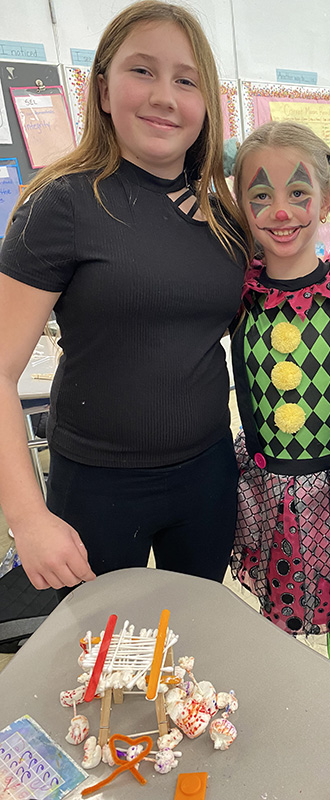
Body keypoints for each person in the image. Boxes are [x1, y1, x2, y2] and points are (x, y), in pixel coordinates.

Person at [0, 0, 250, 593]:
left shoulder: (224, 219)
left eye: (186, 80)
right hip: (97, 484)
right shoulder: (61, 204)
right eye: (142, 70)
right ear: (103, 90)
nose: (165, 95)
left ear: (206, 104)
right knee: (100, 660)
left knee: (195, 647)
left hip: (207, 474)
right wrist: (28, 519)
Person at [229, 121, 330, 670]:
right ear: (240, 204)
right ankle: (283, 695)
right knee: (277, 613)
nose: (281, 212)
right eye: (261, 196)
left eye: (298, 193)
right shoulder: (235, 293)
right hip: (270, 486)